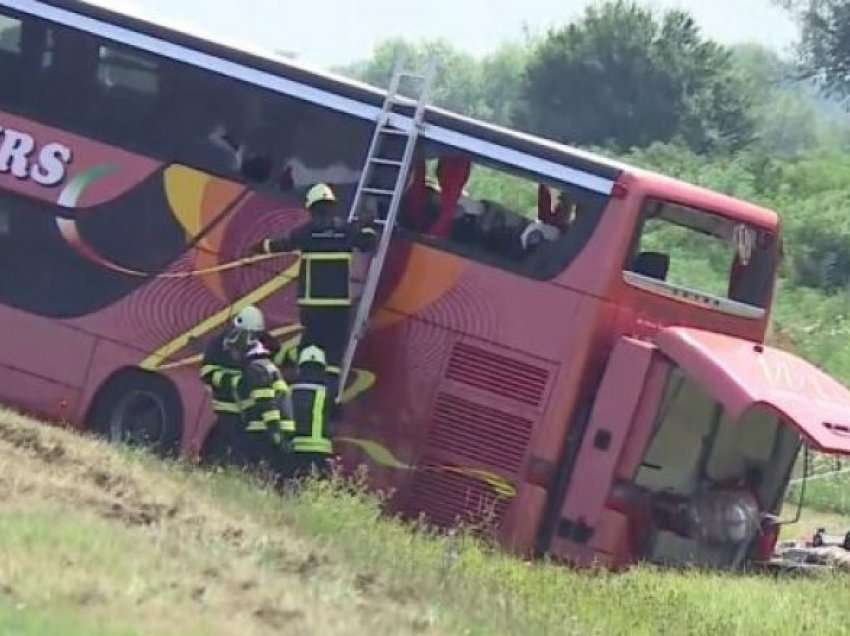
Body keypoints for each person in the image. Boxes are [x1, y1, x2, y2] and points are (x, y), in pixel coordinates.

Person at [250, 183, 378, 404]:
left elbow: (282, 244)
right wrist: (366, 225)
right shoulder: (345, 230)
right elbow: (367, 243)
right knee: (334, 354)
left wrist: (260, 246)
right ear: (331, 206)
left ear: (312, 207)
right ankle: (329, 395)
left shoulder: (306, 232)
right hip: (338, 307)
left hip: (313, 306)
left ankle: (303, 392)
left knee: (310, 350)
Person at [199, 306, 293, 472]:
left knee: (245, 451)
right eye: (248, 334)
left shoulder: (262, 344)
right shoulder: (219, 344)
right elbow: (207, 373)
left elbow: (275, 357)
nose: (251, 339)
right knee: (227, 443)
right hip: (228, 407)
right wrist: (237, 382)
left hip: (252, 410)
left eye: (255, 335)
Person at [288, 344, 335, 480]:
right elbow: (337, 415)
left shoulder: (290, 390)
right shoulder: (327, 392)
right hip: (320, 450)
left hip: (295, 447)